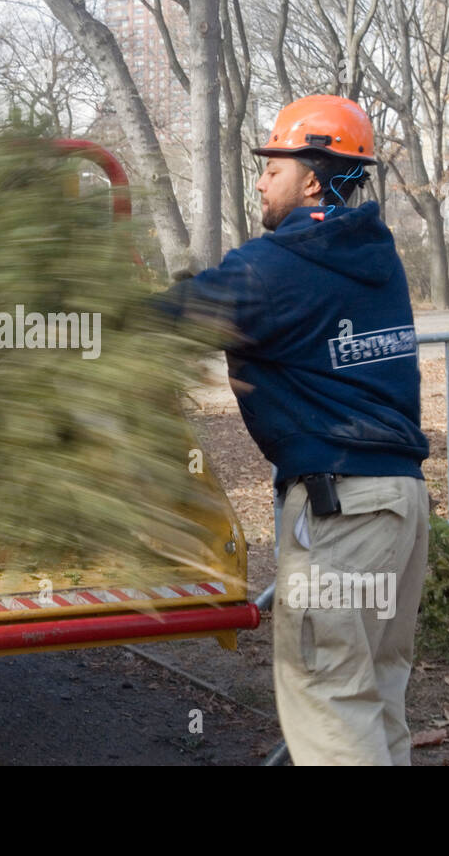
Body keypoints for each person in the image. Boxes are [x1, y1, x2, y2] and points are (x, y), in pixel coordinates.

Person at [152, 94, 430, 765]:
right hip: (401, 509)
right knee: (375, 698)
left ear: (311, 175)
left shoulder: (278, 266)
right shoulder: (373, 255)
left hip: (343, 518)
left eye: (270, 166)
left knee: (332, 705)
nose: (258, 180)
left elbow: (166, 320)